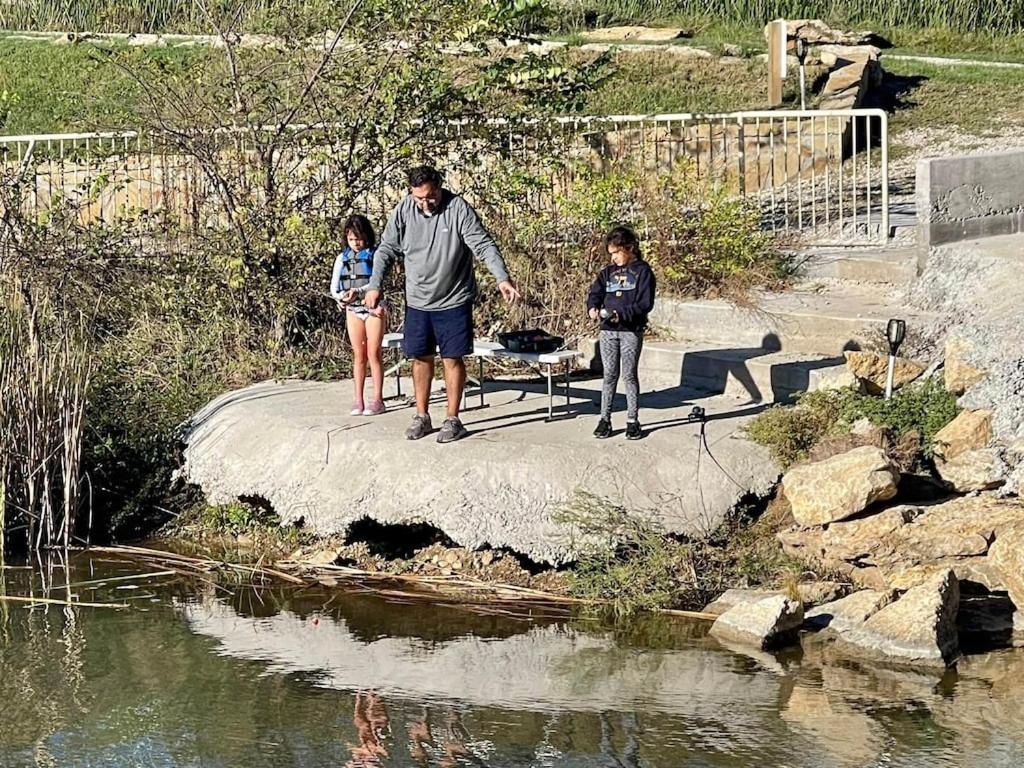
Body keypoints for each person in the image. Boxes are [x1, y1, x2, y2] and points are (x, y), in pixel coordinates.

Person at [364, 165, 520, 443]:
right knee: (420, 357)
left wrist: (502, 278)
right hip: (418, 301)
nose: (425, 203)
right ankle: (422, 415)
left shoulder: (458, 209)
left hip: (453, 299)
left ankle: (453, 418)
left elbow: (483, 245)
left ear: (439, 188)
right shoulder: (403, 210)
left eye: (430, 196)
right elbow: (387, 248)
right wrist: (375, 284)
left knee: (451, 357)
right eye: (419, 198)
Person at [587, 225, 656, 440]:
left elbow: (645, 304)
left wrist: (621, 314)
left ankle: (632, 420)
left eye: (617, 253)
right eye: (611, 254)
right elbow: (595, 293)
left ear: (629, 248)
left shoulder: (643, 271)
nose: (614, 258)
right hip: (607, 331)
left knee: (628, 375)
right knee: (609, 375)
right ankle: (604, 419)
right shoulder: (607, 273)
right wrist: (592, 307)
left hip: (630, 331)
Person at [331, 214, 387, 416]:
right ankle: (358, 400)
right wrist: (341, 298)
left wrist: (360, 293)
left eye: (359, 239)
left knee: (373, 353)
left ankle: (378, 399)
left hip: (373, 310)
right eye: (352, 239)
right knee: (358, 355)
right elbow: (334, 287)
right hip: (353, 311)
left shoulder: (375, 255)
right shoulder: (342, 258)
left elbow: (376, 282)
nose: (356, 243)